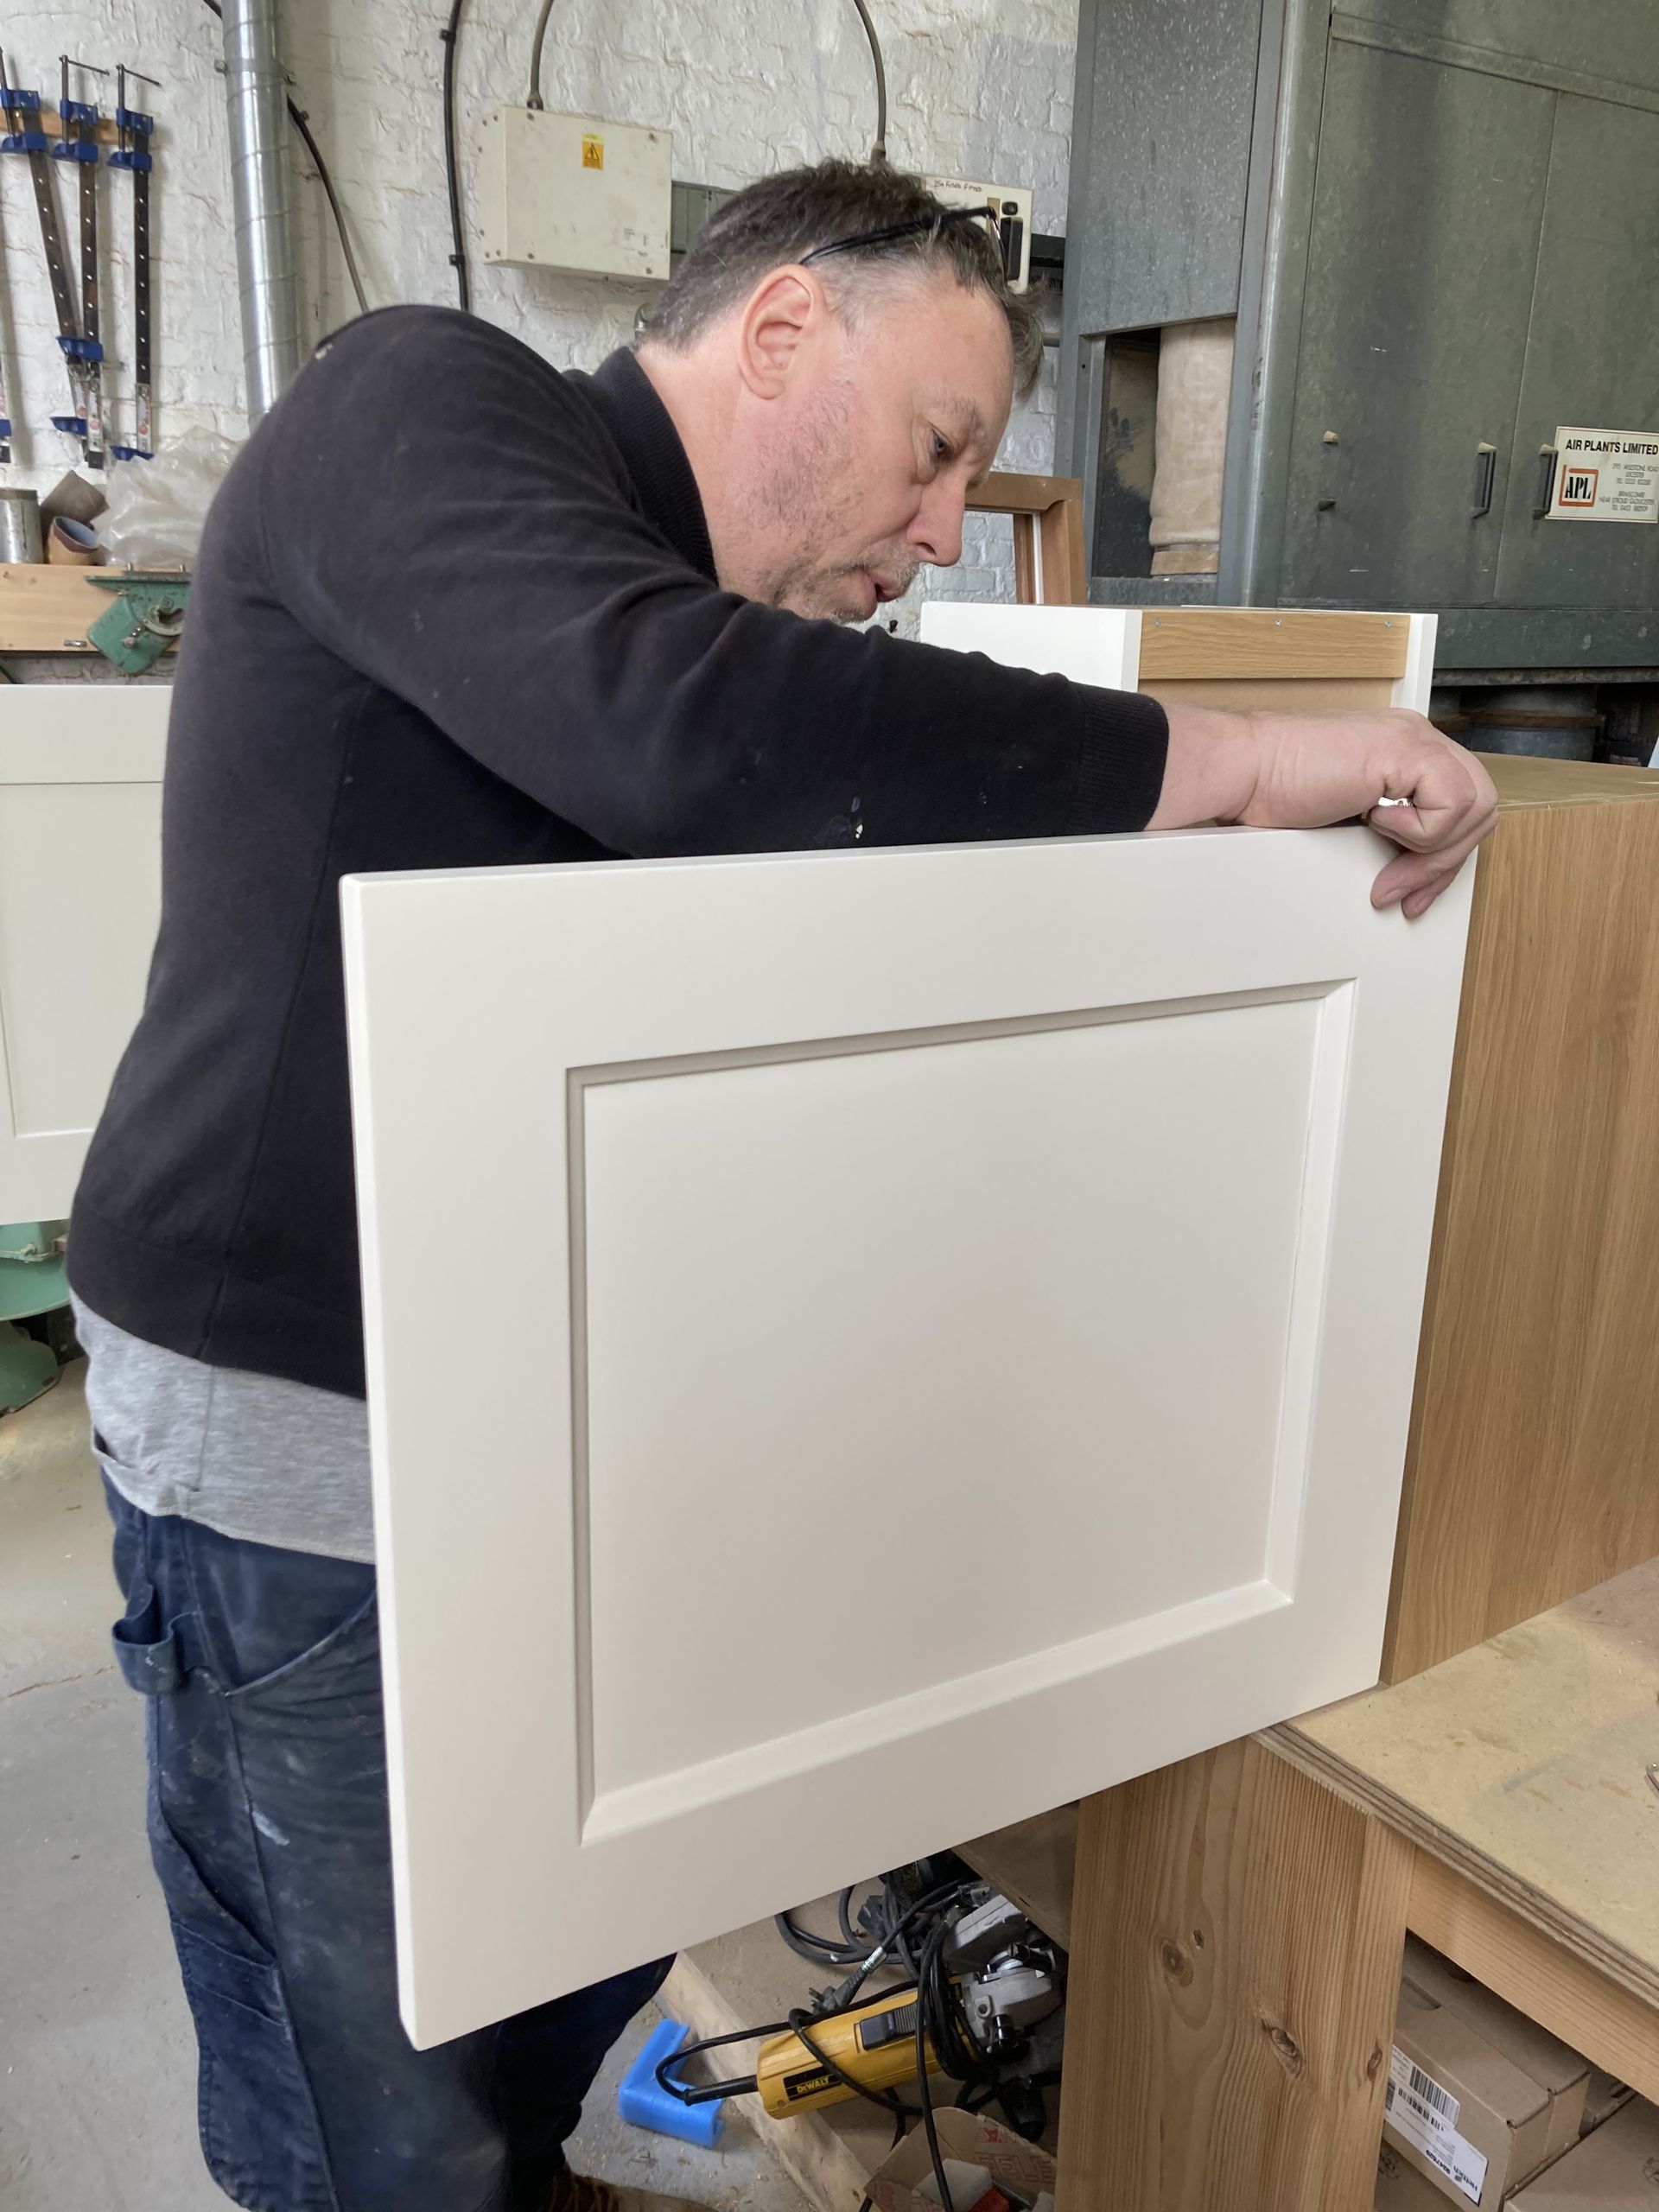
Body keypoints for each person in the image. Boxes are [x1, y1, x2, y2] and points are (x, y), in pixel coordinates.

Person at [67, 159, 1495, 2212]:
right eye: (936, 455)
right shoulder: (423, 404)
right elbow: (681, 735)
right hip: (297, 1406)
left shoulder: (668, 592)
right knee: (357, 2087)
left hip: (537, 1376)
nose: (938, 535)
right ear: (784, 329)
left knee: (541, 1956)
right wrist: (1262, 759)